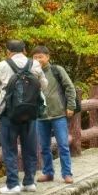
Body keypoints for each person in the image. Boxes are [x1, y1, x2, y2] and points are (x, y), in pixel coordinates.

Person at [0, 40, 48, 194]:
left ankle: (13, 184)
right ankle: (29, 182)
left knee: (9, 148)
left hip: (8, 113)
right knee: (30, 147)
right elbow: (44, 84)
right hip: (30, 112)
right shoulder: (34, 64)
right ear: (24, 50)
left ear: (8, 51)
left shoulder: (2, 65)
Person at [32, 45, 78, 184]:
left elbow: (69, 87)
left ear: (47, 57)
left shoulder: (56, 70)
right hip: (40, 116)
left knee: (63, 145)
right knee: (44, 146)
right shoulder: (31, 73)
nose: (38, 60)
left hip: (58, 114)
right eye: (35, 57)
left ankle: (67, 174)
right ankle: (48, 173)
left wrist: (71, 106)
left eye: (41, 57)